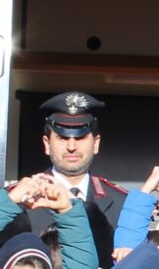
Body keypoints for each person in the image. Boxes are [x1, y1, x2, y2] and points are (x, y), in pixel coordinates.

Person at [33, 91, 131, 244]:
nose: (71, 147)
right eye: (62, 138)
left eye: (81, 138)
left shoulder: (123, 203)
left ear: (96, 143)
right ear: (47, 144)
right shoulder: (23, 199)